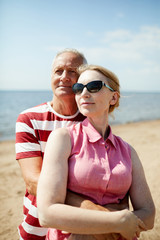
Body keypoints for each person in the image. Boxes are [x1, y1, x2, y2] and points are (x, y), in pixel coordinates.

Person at [16, 49, 126, 240]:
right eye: (58, 71)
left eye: (72, 72)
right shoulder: (29, 119)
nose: (64, 77)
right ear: (51, 76)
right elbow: (33, 182)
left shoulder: (92, 116)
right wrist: (99, 215)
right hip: (38, 227)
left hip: (83, 230)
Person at [37, 64, 155, 240]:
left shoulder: (128, 151)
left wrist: (117, 222)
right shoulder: (63, 138)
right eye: (78, 88)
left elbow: (149, 215)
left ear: (113, 97)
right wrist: (116, 220)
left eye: (94, 87)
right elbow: (47, 213)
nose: (84, 93)